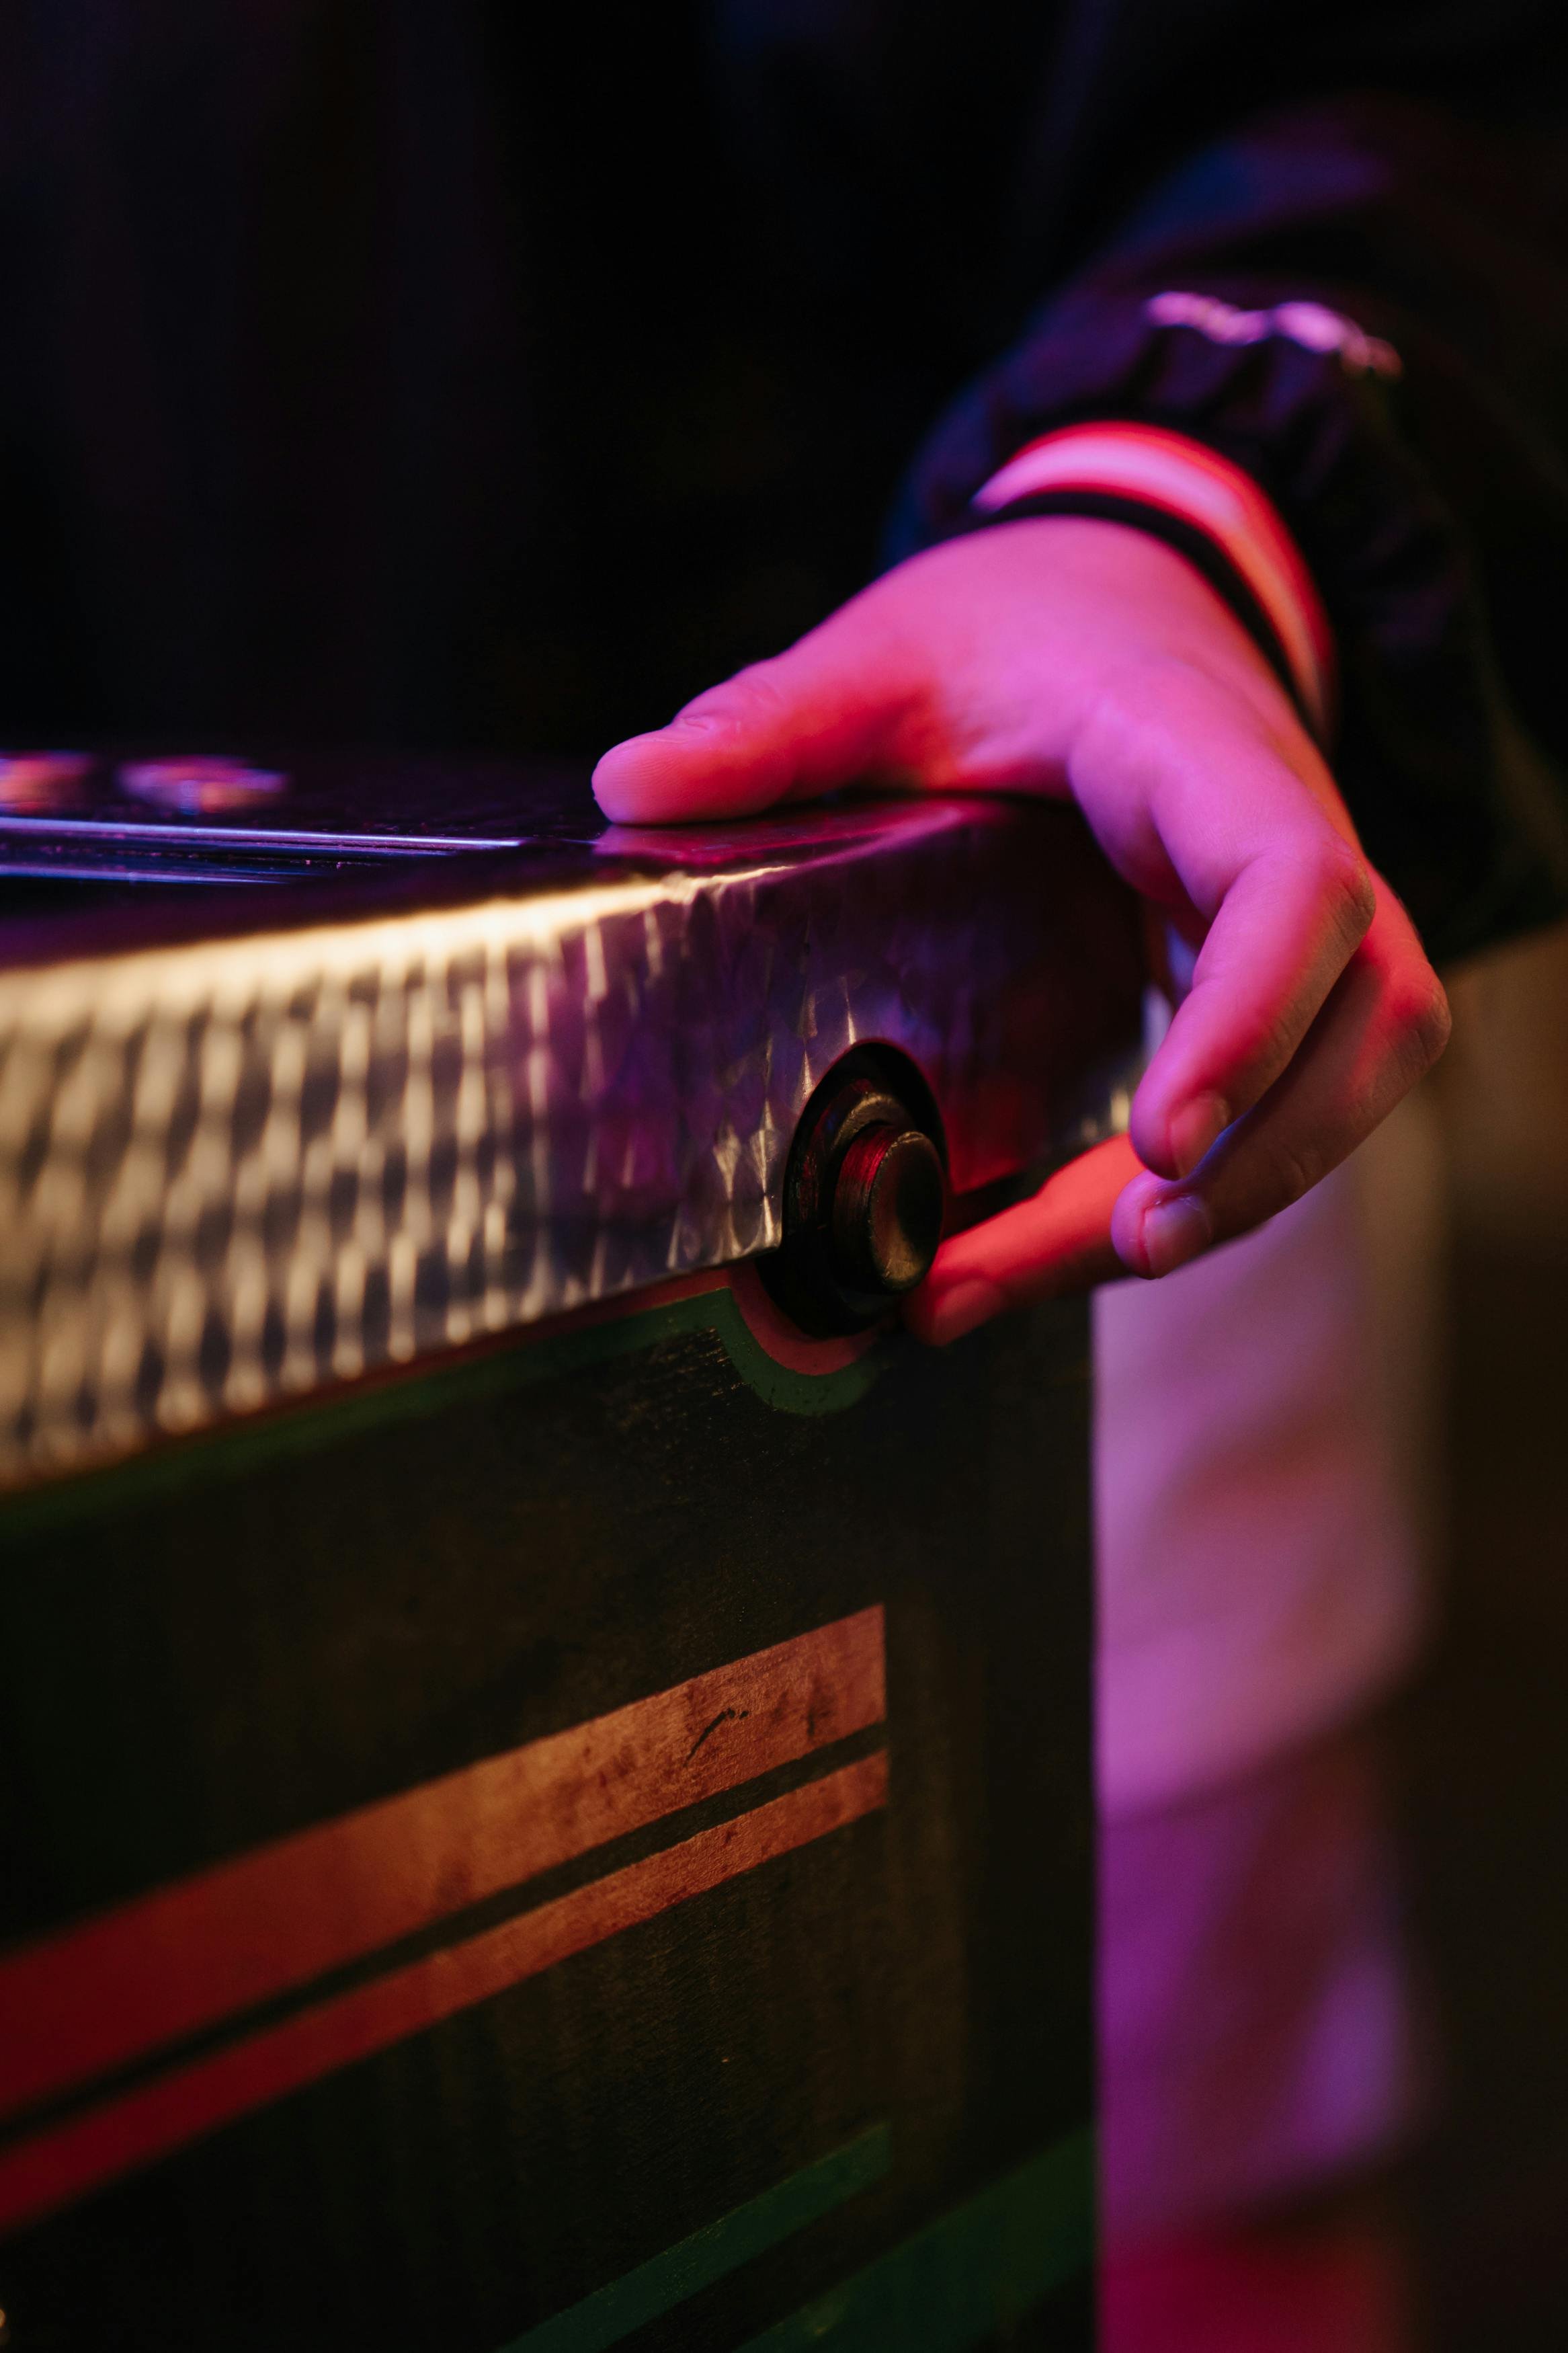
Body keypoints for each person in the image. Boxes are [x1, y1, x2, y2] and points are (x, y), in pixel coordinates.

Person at [6, 5, 1568, 2344]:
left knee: (1096, 2191)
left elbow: (1400, 83)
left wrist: (1171, 506)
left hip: (1006, 1160)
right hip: (141, 1393)